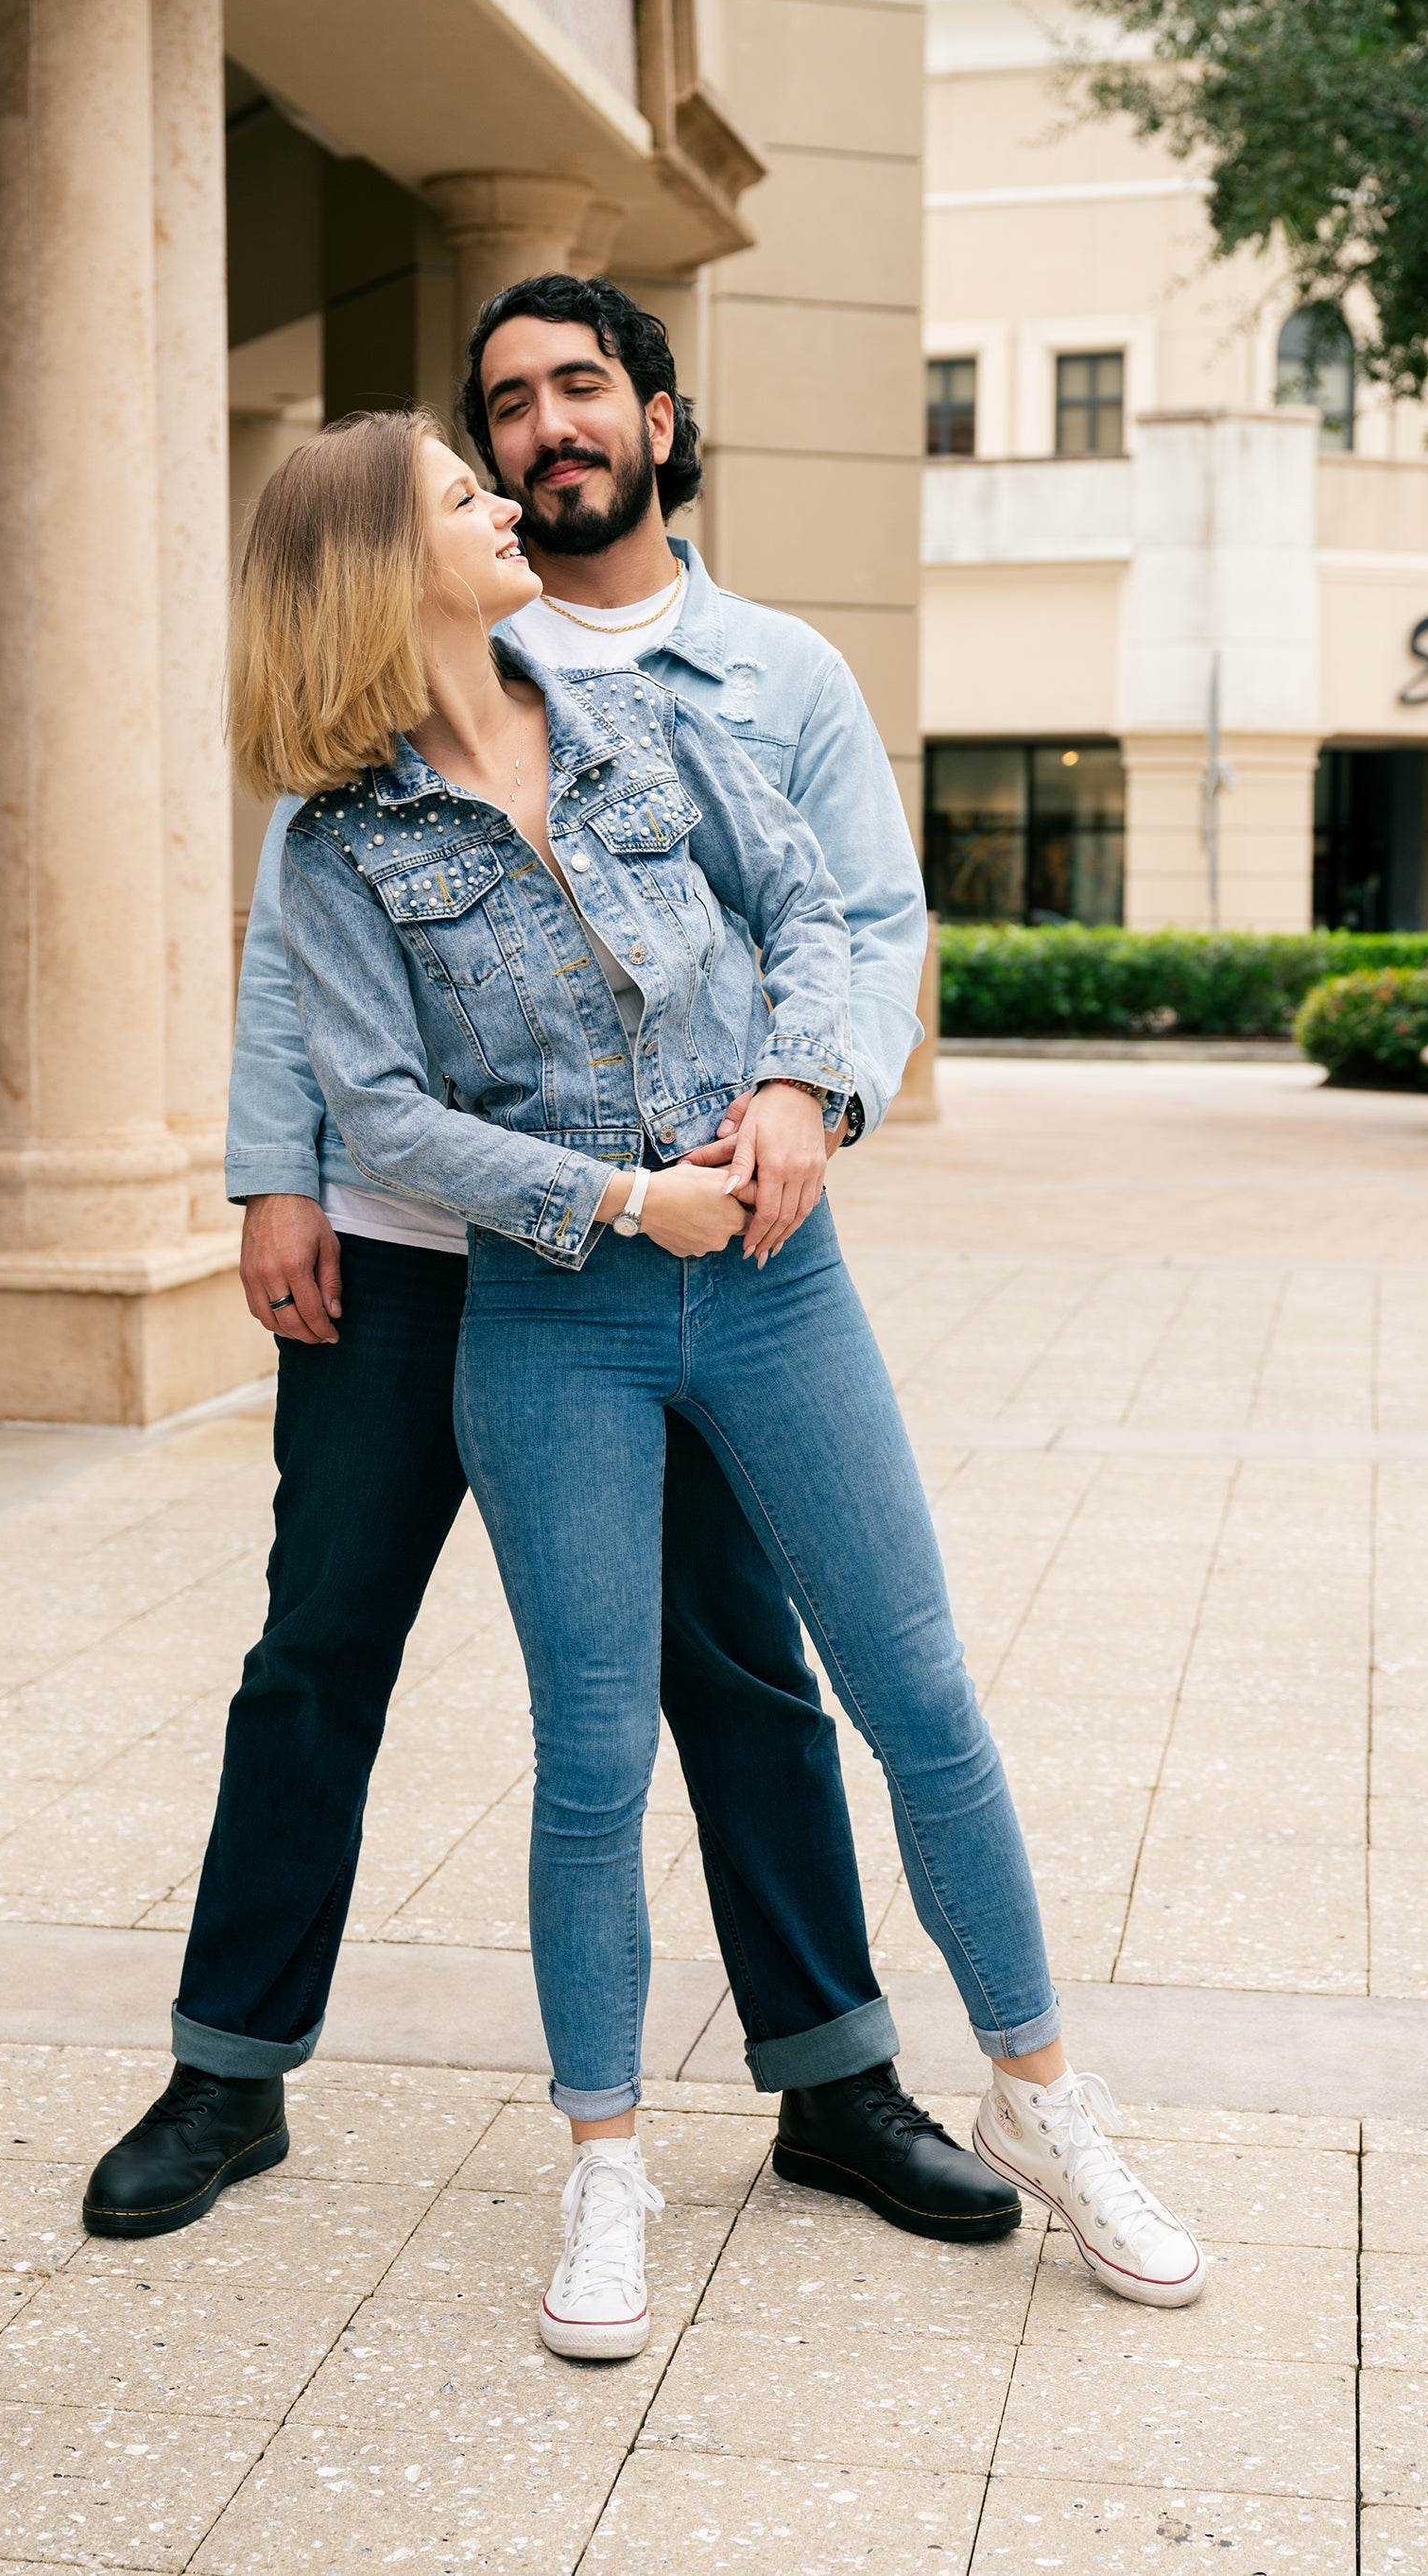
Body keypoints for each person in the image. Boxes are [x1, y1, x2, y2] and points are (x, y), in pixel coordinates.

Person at [225, 403, 1207, 2359]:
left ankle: (1041, 2093)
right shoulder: (339, 842)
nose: (503, 501)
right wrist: (610, 1197)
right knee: (593, 1757)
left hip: (778, 1286)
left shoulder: (647, 721)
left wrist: (795, 1084)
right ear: (374, 568)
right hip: (555, 1319)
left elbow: (819, 916)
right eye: (457, 493)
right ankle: (605, 2165)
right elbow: (381, 1113)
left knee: (918, 1694)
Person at [82, 280, 1018, 2256]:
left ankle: (833, 2075)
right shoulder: (368, 731)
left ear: (660, 415)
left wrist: (806, 1108)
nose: (541, 429)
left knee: (737, 1667)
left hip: (663, 1269)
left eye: (579, 385)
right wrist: (272, 1173)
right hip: (411, 1254)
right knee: (318, 1645)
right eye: (503, 406)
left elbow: (854, 911)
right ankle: (227, 2062)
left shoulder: (749, 673)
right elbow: (300, 947)